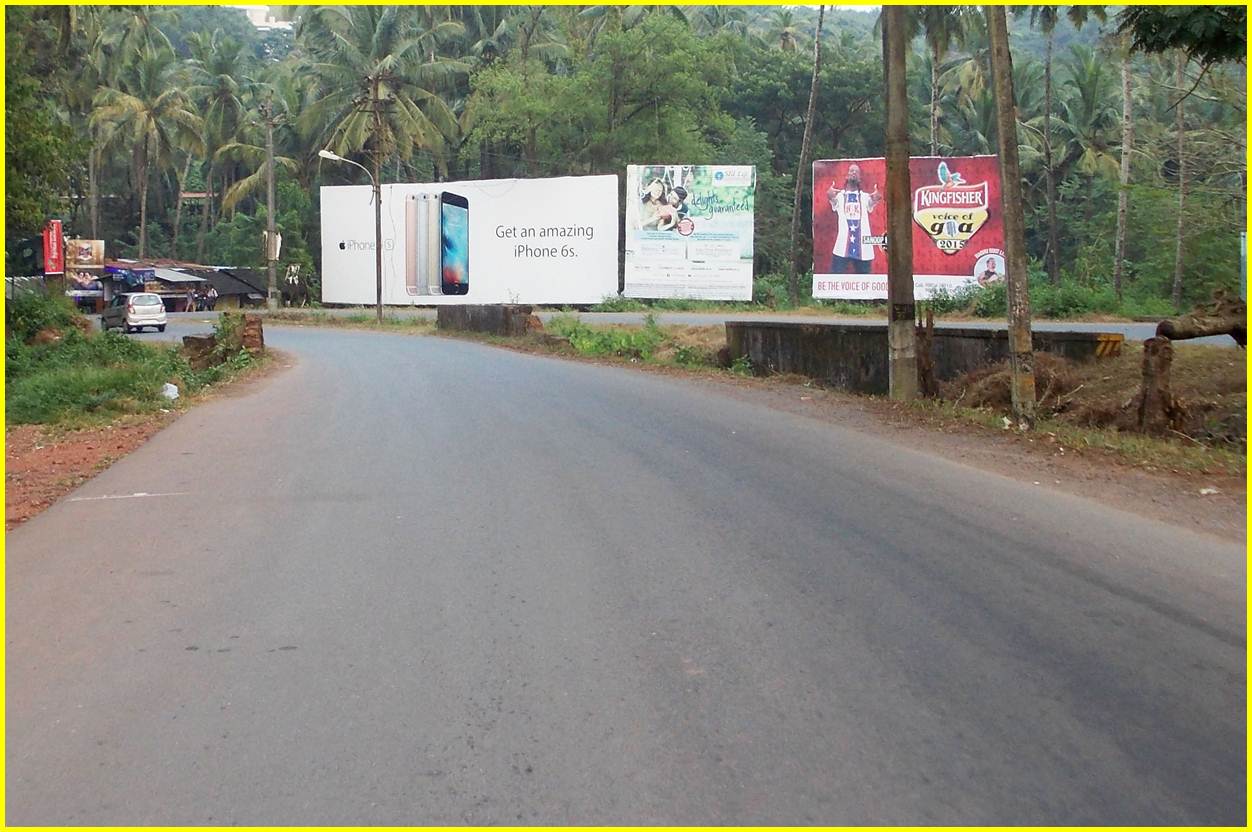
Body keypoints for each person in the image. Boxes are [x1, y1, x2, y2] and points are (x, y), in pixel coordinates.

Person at [827, 163, 882, 274]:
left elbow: (873, 202)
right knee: (835, 279)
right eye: (851, 171)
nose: (853, 173)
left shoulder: (865, 197)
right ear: (846, 175)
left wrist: (877, 197)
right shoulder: (840, 196)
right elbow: (833, 201)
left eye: (856, 172)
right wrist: (830, 196)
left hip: (863, 248)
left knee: (865, 282)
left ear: (860, 178)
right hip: (842, 246)